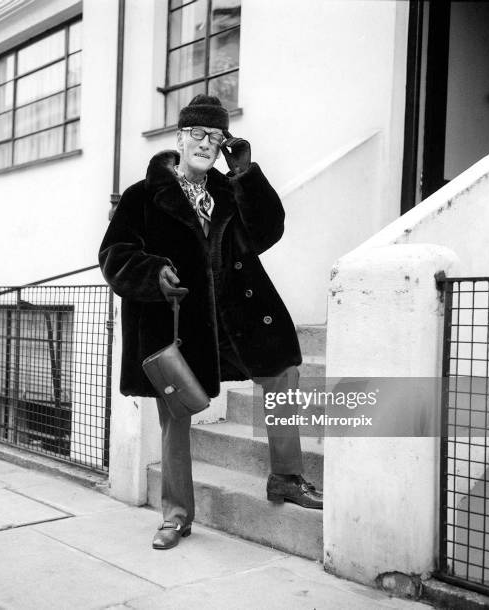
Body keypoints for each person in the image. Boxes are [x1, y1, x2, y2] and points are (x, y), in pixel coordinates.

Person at [99, 94, 322, 551]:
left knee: (283, 374)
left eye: (215, 137)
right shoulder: (143, 196)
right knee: (175, 418)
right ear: (180, 137)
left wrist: (245, 174)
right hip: (181, 323)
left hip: (237, 315)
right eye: (197, 134)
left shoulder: (228, 189)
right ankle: (176, 516)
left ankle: (285, 476)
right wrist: (152, 272)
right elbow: (113, 256)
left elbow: (267, 232)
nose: (206, 143)